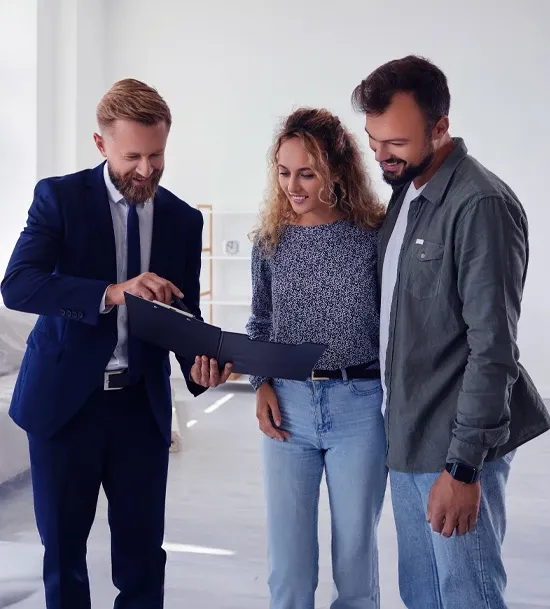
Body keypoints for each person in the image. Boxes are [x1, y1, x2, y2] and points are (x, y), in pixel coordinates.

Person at [1, 78, 231, 609]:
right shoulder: (58, 199)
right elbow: (18, 285)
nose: (146, 170)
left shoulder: (182, 219)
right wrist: (111, 293)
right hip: (64, 409)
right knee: (63, 558)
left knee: (143, 561)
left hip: (139, 408)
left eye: (157, 155)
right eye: (133, 157)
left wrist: (202, 365)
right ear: (102, 145)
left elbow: (182, 313)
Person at [351, 55, 550, 609]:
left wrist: (463, 468)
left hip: (455, 452)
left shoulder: (480, 204)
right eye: (372, 140)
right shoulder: (408, 195)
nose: (380, 155)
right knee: (423, 597)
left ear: (440, 128)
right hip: (408, 439)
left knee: (468, 598)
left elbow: (494, 348)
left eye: (395, 142)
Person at [246, 108, 387, 609]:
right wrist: (261, 382)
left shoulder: (374, 234)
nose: (293, 185)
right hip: (287, 408)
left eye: (306, 172)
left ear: (337, 169)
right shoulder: (269, 240)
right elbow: (260, 321)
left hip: (359, 405)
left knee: (354, 561)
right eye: (284, 172)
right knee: (288, 567)